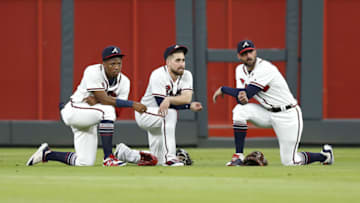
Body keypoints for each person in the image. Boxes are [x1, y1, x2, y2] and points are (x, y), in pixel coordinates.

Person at [27, 45, 157, 167]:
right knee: (107, 110)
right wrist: (132, 104)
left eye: (119, 63)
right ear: (104, 64)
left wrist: (101, 101)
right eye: (112, 63)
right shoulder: (93, 71)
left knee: (84, 162)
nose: (116, 67)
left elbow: (115, 111)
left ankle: (47, 154)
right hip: (75, 110)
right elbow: (103, 98)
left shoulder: (124, 82)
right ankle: (108, 158)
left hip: (89, 118)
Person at [212, 40, 334, 166]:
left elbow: (247, 93)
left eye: (250, 51)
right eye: (244, 53)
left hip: (287, 114)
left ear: (255, 51)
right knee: (239, 110)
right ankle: (238, 156)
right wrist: (240, 96)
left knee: (290, 162)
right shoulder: (239, 70)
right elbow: (241, 98)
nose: (248, 56)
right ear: (239, 56)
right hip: (267, 113)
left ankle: (324, 156)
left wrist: (224, 89)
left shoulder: (265, 68)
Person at [115, 45, 203, 166]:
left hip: (159, 117)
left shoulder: (186, 75)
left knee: (155, 160)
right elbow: (161, 104)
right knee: (170, 113)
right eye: (177, 60)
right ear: (168, 62)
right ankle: (170, 157)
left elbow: (187, 98)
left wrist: (170, 99)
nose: (181, 64)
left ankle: (125, 153)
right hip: (145, 113)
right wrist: (185, 106)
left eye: (183, 60)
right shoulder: (158, 75)